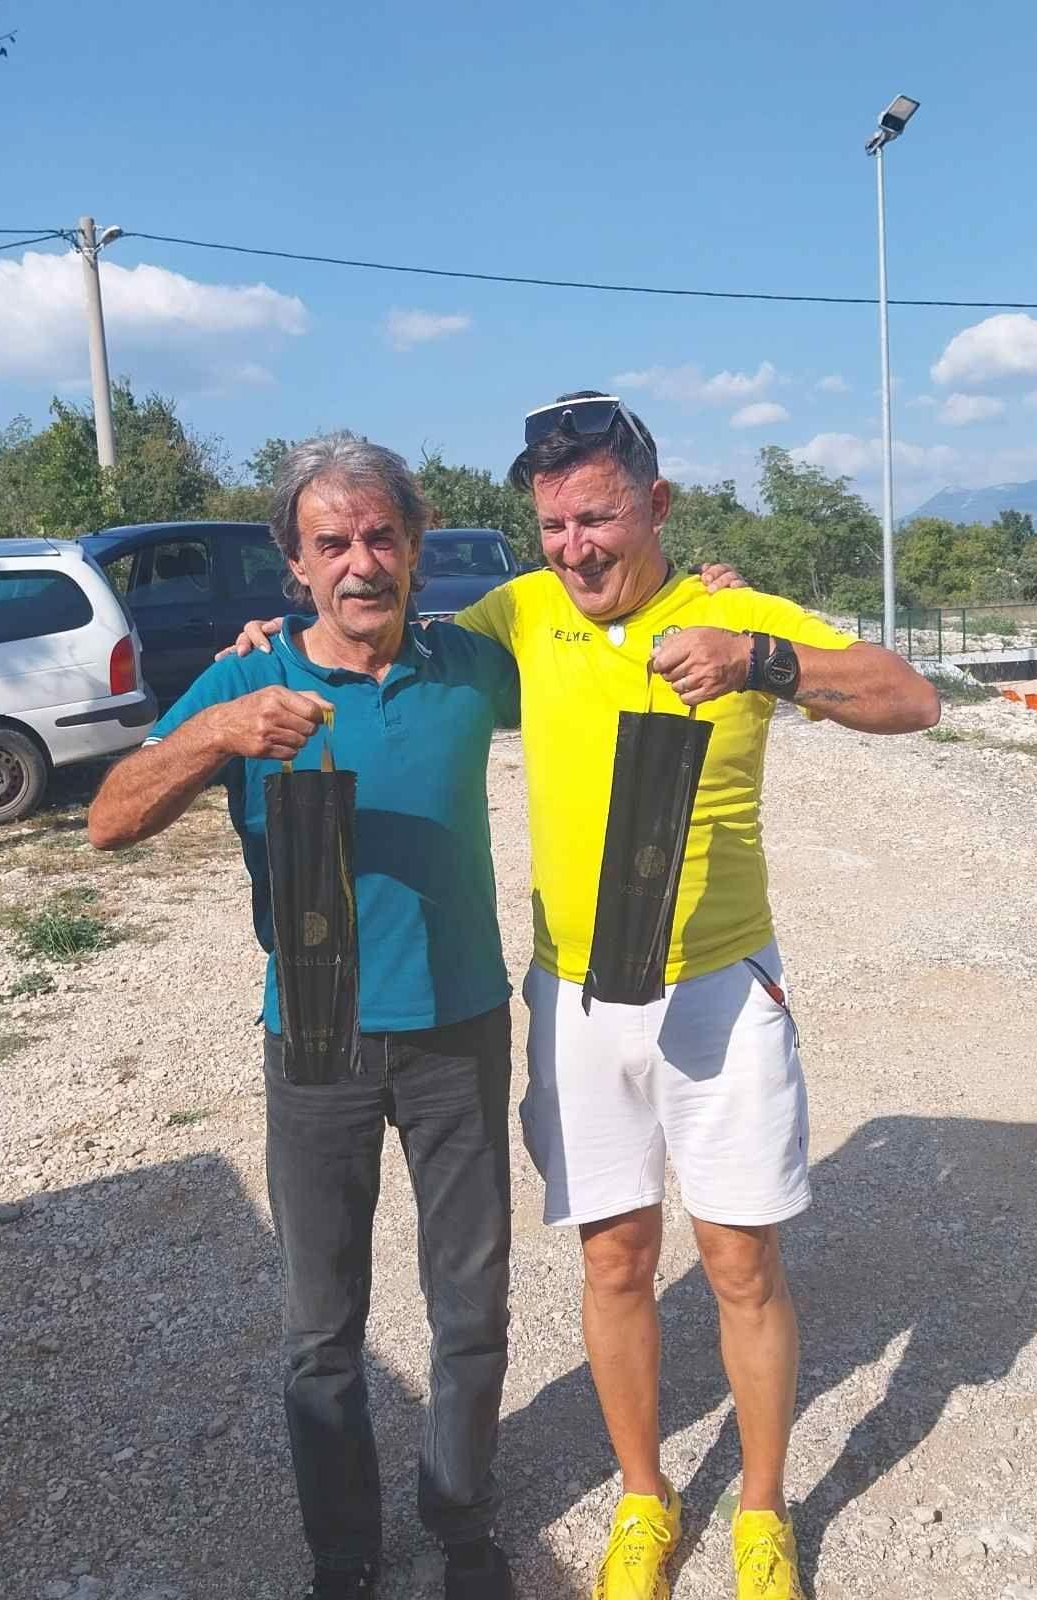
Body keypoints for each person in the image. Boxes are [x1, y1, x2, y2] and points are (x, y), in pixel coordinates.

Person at [232, 393, 940, 1600]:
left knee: (739, 1263)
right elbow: (386, 634)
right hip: (575, 993)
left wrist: (760, 662)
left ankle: (762, 1513)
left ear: (655, 505)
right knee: (614, 1260)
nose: (575, 547)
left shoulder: (734, 616)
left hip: (720, 987)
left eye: (598, 518)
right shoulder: (519, 614)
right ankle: (644, 1499)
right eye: (554, 524)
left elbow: (909, 698)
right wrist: (276, 639)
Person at [87, 433, 523, 1600]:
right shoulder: (249, 679)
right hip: (316, 1038)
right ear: (295, 560)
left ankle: (462, 1522)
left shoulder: (468, 667)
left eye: (381, 536)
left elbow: (603, 657)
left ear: (416, 545)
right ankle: (343, 1553)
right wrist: (217, 733)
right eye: (332, 542)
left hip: (460, 1027)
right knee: (323, 1326)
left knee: (471, 1302)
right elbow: (108, 820)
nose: (360, 563)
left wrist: (705, 598)